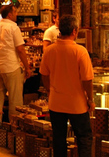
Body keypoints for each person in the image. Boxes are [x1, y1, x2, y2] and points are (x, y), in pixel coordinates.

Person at [40, 15, 94, 157]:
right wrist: (90, 99)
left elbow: (44, 75)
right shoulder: (80, 51)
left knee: (59, 138)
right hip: (77, 104)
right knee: (84, 138)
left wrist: (49, 90)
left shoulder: (50, 50)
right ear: (74, 31)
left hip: (56, 103)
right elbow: (87, 80)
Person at [0, 5, 32, 122]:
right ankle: (14, 129)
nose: (17, 15)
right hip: (12, 67)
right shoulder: (14, 28)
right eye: (15, 12)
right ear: (10, 15)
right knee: (15, 101)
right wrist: (27, 67)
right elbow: (20, 49)